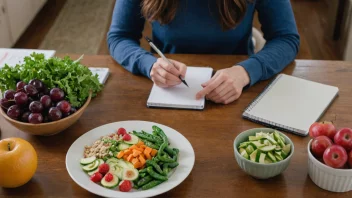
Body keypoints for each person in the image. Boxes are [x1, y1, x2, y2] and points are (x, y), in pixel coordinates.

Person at [107, 0, 300, 104]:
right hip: (168, 93)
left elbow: (286, 38)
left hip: (238, 94)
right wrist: (149, 64)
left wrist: (246, 72)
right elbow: (119, 36)